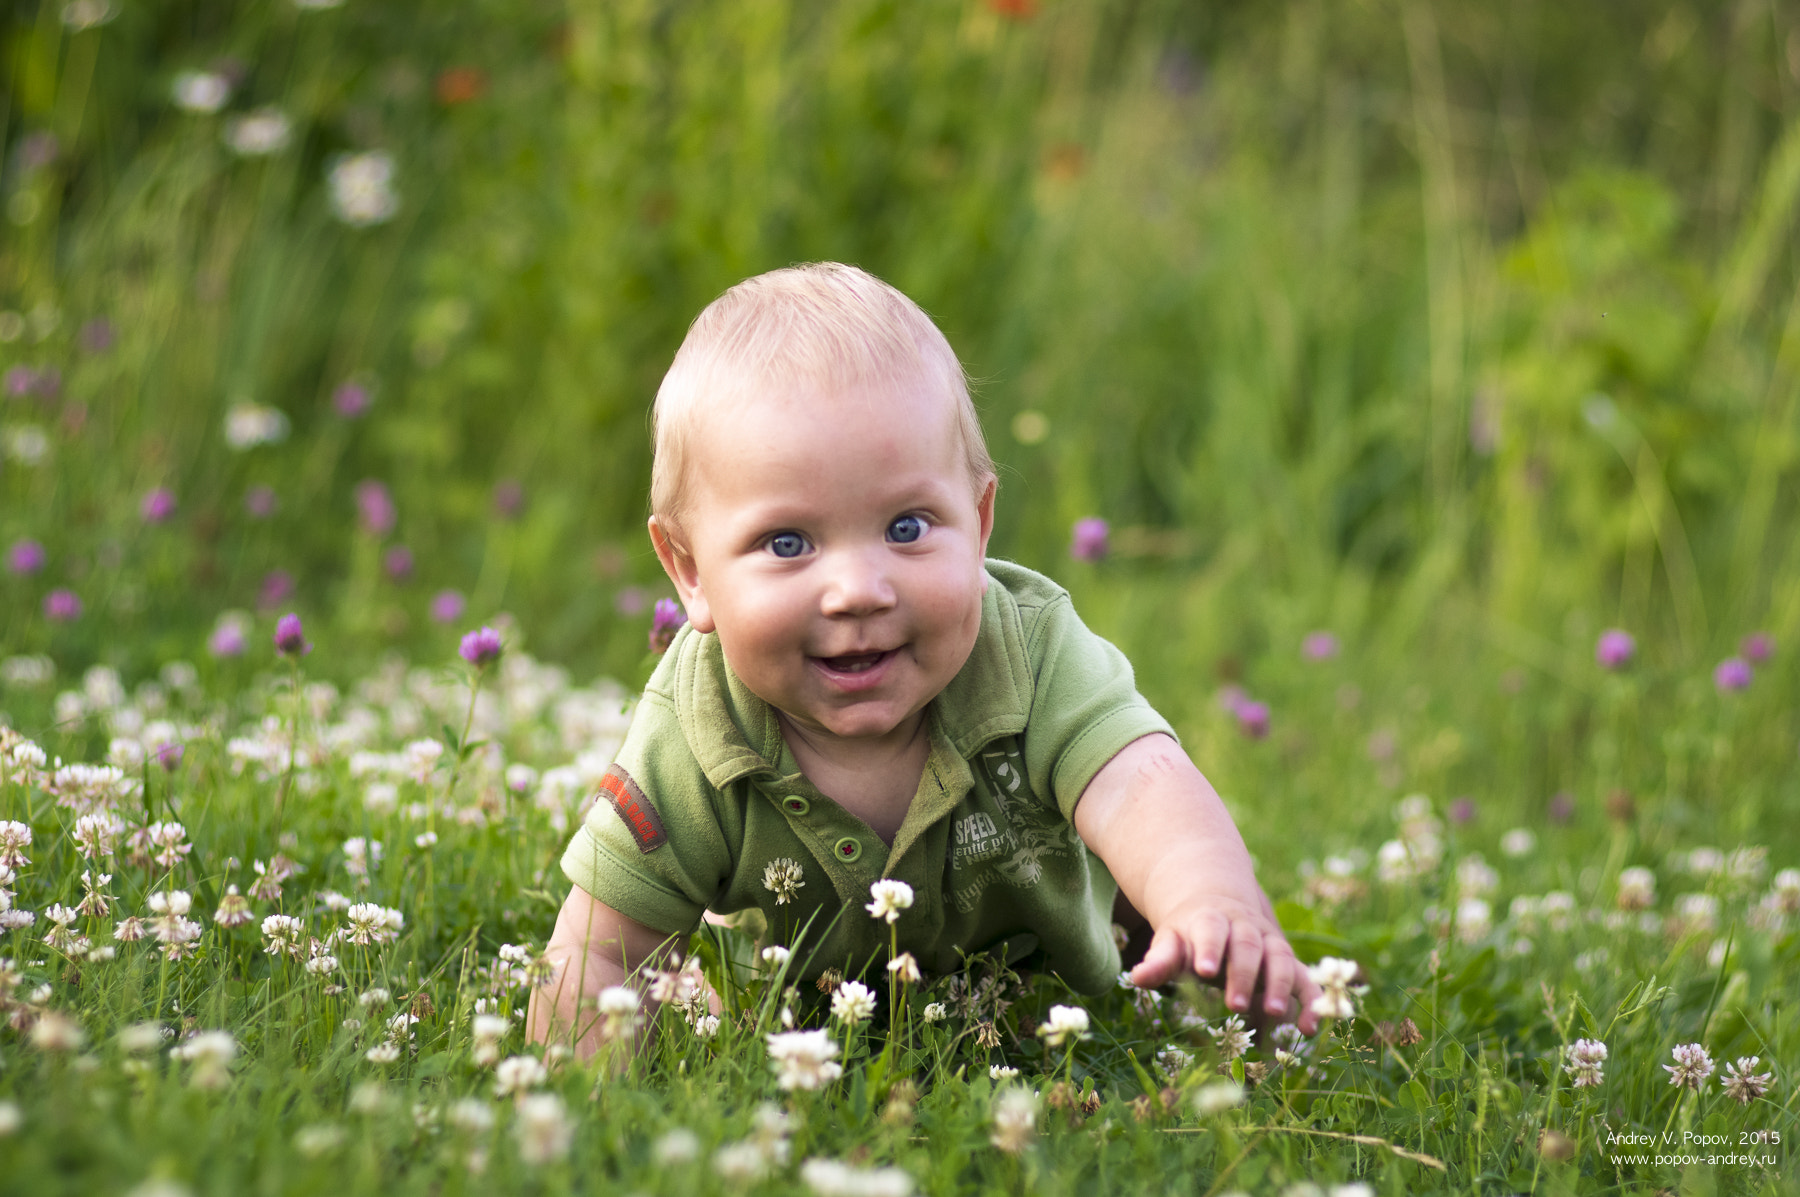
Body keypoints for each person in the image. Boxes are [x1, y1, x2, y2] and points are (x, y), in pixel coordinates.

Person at [528, 263, 1321, 1055]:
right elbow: (602, 948)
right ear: (690, 570)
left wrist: (1208, 896)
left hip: (1052, 1007)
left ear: (978, 525)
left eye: (907, 527)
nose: (858, 591)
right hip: (809, 1039)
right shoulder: (697, 731)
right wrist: (578, 1108)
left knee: (1184, 921)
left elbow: (1141, 786)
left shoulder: (1031, 649)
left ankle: (1221, 956)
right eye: (788, 543)